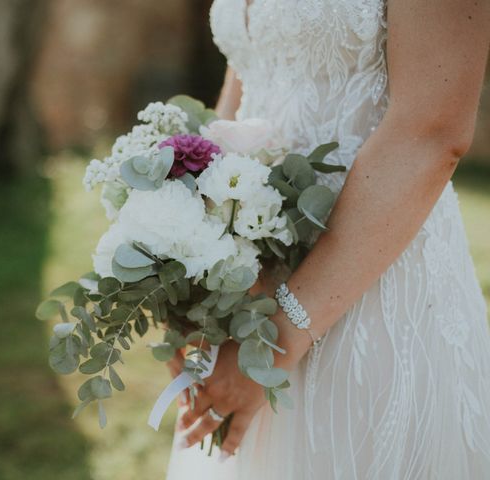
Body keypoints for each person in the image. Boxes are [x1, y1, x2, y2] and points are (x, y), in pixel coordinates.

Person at [165, 0, 490, 478]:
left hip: (372, 294)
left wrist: (274, 343)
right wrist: (188, 281)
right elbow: (249, 79)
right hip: (242, 293)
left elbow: (432, 131)